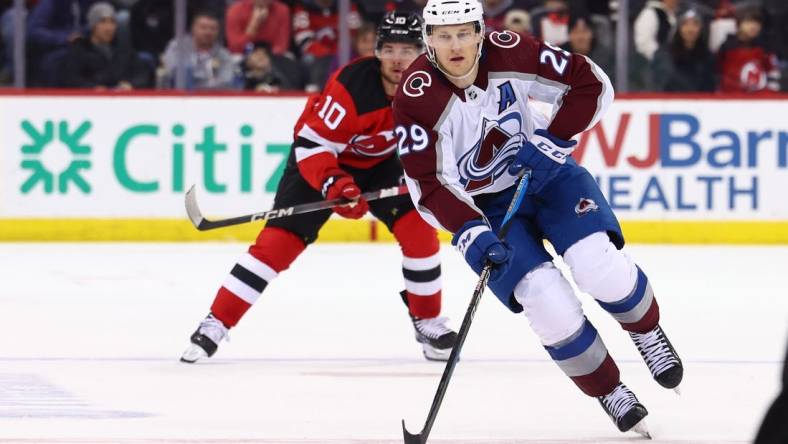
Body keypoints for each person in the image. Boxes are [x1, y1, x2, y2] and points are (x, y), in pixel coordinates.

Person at [392, 0, 683, 436]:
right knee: (545, 300)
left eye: (464, 32)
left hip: (547, 176)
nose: (455, 45)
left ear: (480, 31)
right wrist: (471, 230)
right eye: (443, 35)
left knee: (597, 264)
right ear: (428, 40)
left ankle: (645, 331)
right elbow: (430, 184)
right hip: (485, 210)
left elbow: (591, 83)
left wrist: (553, 140)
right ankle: (609, 389)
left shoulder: (512, 51)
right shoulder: (415, 97)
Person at [181, 11, 458, 364]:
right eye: (389, 49)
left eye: (407, 50)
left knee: (419, 228)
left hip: (380, 165)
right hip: (321, 162)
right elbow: (312, 146)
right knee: (276, 247)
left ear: (423, 51)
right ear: (377, 51)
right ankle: (215, 323)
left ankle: (427, 320)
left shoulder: (431, 85)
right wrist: (334, 183)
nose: (398, 59)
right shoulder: (352, 86)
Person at [58, 2, 151, 89]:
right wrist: (92, 88)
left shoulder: (124, 49)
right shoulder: (80, 49)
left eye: (112, 22)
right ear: (93, 25)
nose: (109, 28)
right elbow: (70, 79)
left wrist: (131, 84)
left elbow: (142, 74)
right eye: (103, 22)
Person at [159, 11, 237, 90]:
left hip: (211, 98)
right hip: (178, 96)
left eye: (213, 29)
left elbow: (226, 80)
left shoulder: (223, 54)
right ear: (193, 28)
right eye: (203, 28)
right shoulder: (178, 47)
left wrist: (198, 86)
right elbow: (175, 72)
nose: (208, 32)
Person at [652, 9, 715, 92]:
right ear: (678, 28)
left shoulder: (708, 56)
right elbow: (657, 84)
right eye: (685, 24)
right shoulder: (664, 55)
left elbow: (710, 86)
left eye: (695, 24)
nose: (690, 29)